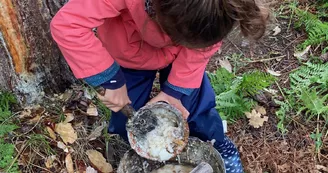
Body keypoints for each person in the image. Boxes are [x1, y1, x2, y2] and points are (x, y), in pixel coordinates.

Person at [50, 0, 267, 172]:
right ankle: (138, 152)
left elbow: (201, 48)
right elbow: (68, 25)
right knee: (129, 117)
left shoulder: (216, 11)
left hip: (180, 57)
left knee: (194, 106)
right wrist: (110, 81)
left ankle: (217, 144)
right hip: (129, 53)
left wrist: (176, 91)